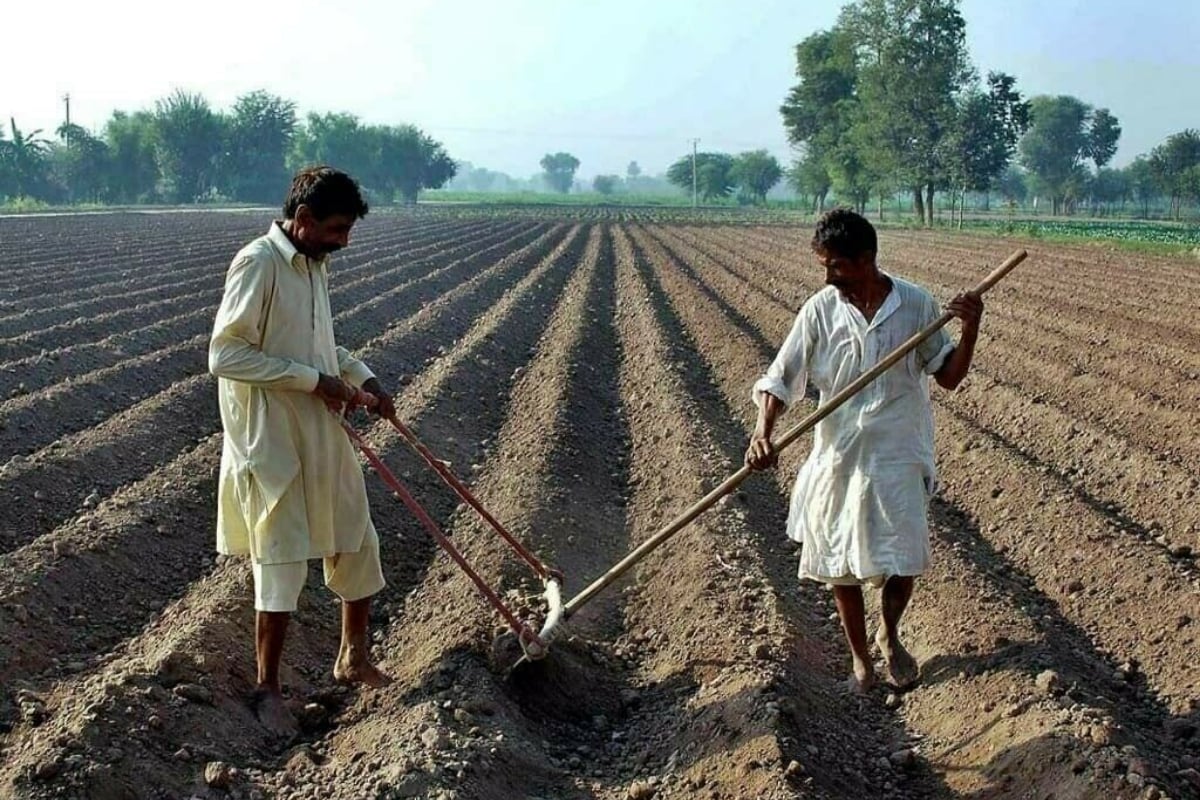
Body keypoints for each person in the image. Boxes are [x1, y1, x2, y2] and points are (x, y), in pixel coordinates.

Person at [745, 208, 982, 693]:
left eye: (837, 266)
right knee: (838, 559)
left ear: (867, 258)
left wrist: (971, 328)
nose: (830, 277)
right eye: (825, 266)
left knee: (904, 557)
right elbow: (780, 375)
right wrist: (762, 431)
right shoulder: (820, 310)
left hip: (900, 449)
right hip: (839, 452)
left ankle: (890, 635)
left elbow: (950, 376)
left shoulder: (916, 305)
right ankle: (861, 659)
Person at [209, 166, 396, 733]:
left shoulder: (312, 265)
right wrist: (315, 382)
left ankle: (353, 658)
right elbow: (225, 355)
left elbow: (315, 342)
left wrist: (361, 377)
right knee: (282, 557)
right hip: (272, 436)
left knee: (358, 537)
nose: (344, 240)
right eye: (337, 229)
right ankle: (267, 688)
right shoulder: (258, 263)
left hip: (320, 426)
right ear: (304, 219)